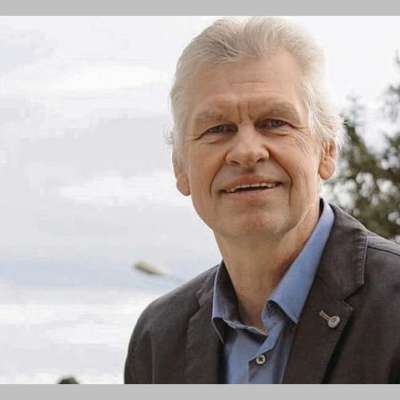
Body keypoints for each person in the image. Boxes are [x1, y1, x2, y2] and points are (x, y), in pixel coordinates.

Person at [124, 16, 400, 383]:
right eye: (217, 128)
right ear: (180, 168)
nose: (247, 152)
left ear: (327, 150)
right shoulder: (157, 340)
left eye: (274, 123)